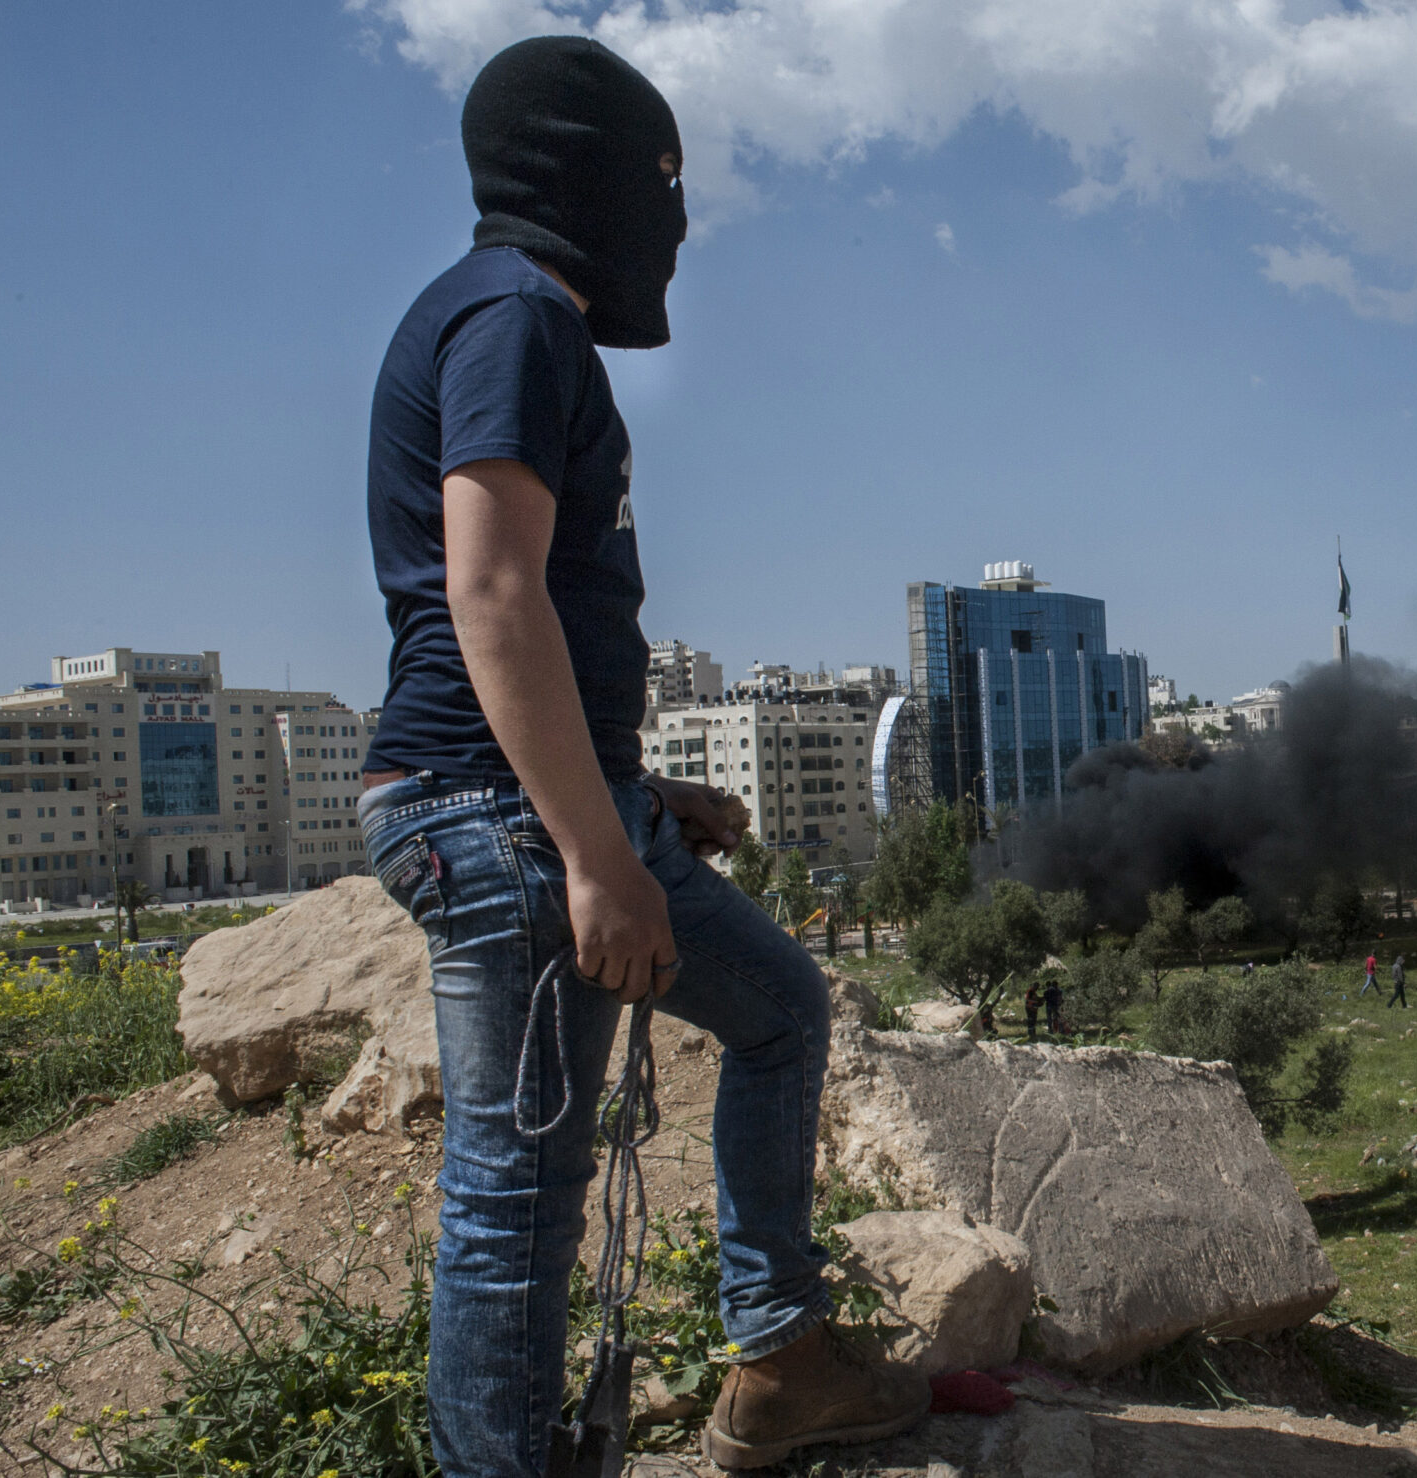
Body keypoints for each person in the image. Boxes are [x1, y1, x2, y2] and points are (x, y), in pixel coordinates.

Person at [355, 39, 926, 1477]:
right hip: (506, 825)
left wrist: (638, 796)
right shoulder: (514, 320)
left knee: (782, 1010)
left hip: (527, 804)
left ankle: (781, 1359)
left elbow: (511, 606)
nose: (675, 223)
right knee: (515, 1194)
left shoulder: (498, 319)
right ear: (587, 170)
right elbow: (491, 594)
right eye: (665, 183)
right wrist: (598, 854)